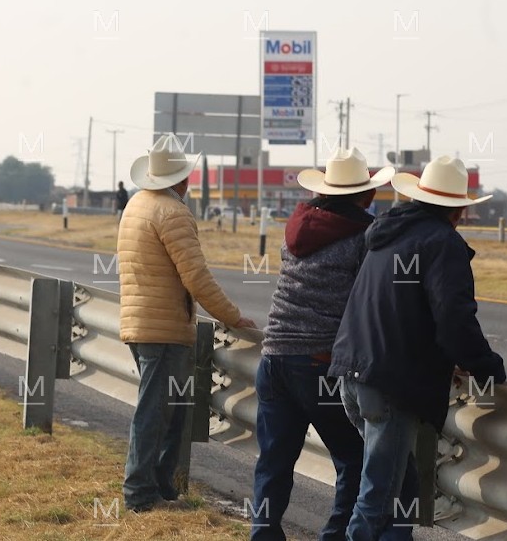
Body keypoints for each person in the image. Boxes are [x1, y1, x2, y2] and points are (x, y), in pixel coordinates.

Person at [330, 156, 507, 541]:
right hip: (389, 381)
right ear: (458, 209)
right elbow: (454, 320)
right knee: (378, 495)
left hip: (350, 370)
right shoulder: (442, 244)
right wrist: (487, 368)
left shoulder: (385, 232)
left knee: (398, 478)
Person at [251, 148, 394, 541]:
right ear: (363, 196)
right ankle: (334, 537)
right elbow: (370, 299)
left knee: (274, 461)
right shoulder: (364, 235)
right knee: (353, 457)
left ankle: (262, 534)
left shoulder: (296, 227)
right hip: (318, 360)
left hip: (273, 355)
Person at [117, 133, 257, 513]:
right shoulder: (173, 212)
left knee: (163, 410)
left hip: (140, 322)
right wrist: (232, 317)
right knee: (156, 412)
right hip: (163, 330)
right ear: (183, 179)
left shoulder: (136, 205)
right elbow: (196, 277)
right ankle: (141, 494)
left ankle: (160, 487)